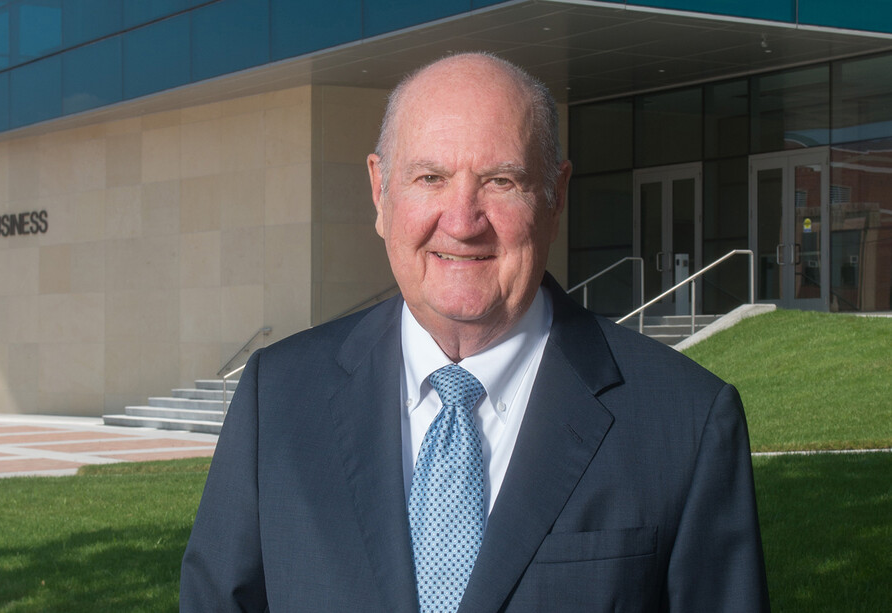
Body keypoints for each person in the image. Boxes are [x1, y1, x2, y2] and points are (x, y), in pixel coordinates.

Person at [180, 52, 769, 612]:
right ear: (380, 191)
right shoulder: (278, 397)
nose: (462, 222)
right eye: (430, 177)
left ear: (555, 194)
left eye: (501, 181)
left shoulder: (684, 422)